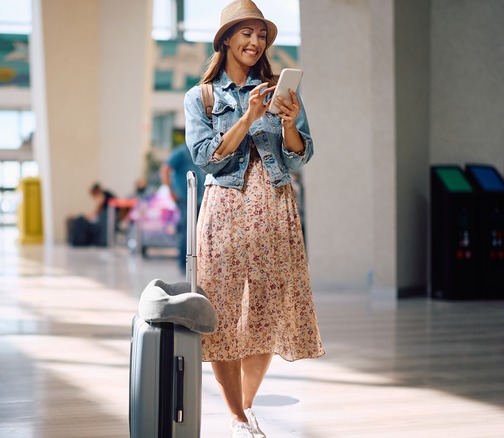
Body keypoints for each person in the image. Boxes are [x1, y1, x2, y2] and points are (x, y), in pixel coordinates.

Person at [182, 1, 324, 437]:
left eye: (260, 35)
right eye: (246, 33)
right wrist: (248, 118)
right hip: (225, 208)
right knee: (223, 312)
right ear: (226, 39)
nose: (254, 42)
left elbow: (302, 156)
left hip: (275, 207)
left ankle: (244, 408)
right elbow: (206, 157)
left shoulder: (279, 92)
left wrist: (287, 123)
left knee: (267, 311)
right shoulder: (201, 97)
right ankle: (237, 416)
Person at [160, 138, 206, 273]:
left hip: (198, 198)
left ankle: (195, 264)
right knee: (188, 230)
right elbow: (165, 169)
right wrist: (170, 190)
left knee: (197, 230)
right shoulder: (181, 152)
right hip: (184, 197)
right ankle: (184, 263)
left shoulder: (200, 149)